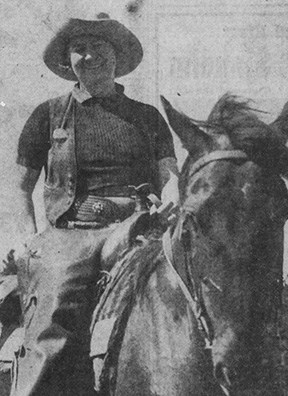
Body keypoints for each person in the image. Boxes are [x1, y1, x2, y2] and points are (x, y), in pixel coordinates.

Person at [12, 13, 177, 396]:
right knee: (53, 320)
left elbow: (170, 177)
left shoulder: (148, 118)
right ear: (67, 60)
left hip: (140, 227)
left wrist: (172, 201)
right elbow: (22, 187)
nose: (89, 56)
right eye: (79, 49)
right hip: (73, 236)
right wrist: (29, 240)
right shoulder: (48, 115)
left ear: (117, 56)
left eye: (98, 47)